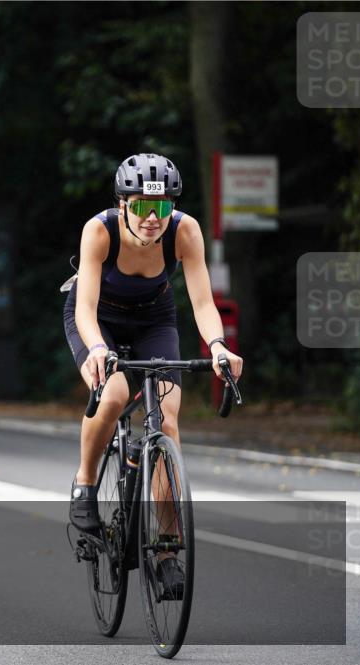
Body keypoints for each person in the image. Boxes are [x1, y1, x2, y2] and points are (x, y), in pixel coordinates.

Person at [64, 153, 244, 594]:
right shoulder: (98, 230)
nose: (151, 218)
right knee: (112, 395)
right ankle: (85, 482)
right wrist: (99, 350)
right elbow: (84, 307)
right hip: (98, 319)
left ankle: (166, 550)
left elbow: (203, 303)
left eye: (161, 207)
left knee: (165, 421)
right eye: (141, 206)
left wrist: (218, 346)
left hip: (154, 320)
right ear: (122, 204)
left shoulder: (185, 230)